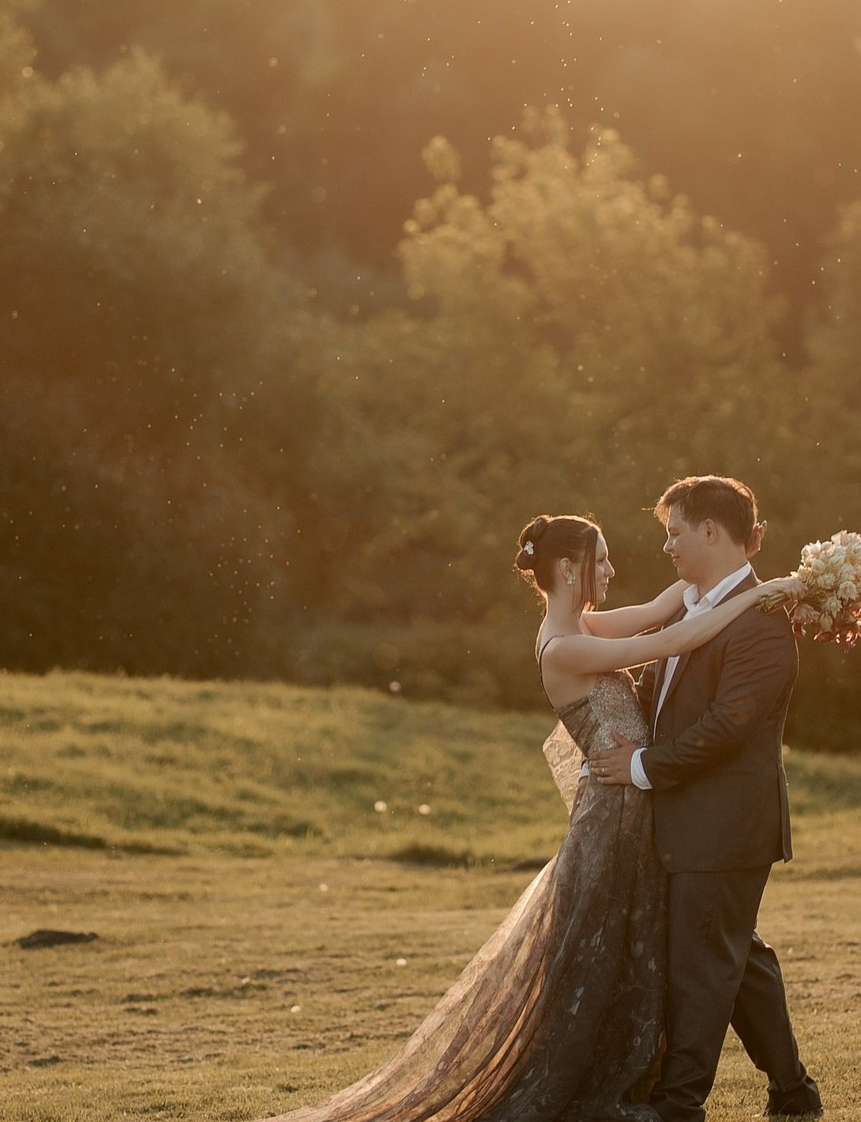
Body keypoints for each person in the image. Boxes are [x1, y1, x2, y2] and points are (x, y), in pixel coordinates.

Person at [261, 512, 802, 1122]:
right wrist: (760, 596)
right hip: (616, 816)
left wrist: (755, 566)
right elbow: (670, 639)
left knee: (670, 944)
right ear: (569, 568)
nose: (611, 569)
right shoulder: (566, 645)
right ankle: (628, 1086)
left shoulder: (582, 624)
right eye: (600, 559)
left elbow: (662, 606)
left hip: (644, 806)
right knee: (604, 952)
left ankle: (725, 1083)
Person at [590, 477, 824, 1120]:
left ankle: (679, 1103)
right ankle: (794, 1090)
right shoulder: (690, 606)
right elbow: (664, 702)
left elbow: (728, 727)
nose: (666, 547)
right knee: (732, 955)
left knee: (702, 964)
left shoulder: (764, 622)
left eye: (674, 532)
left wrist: (640, 767)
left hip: (726, 824)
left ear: (711, 531)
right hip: (686, 822)